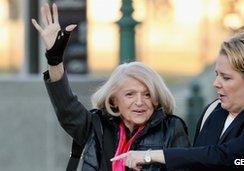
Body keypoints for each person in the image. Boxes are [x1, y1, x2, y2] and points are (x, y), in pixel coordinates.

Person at [32, 3, 190, 171]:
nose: (139, 102)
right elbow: (66, 107)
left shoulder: (171, 128)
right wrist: (55, 60)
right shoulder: (96, 126)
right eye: (130, 94)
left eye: (147, 94)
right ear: (114, 100)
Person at [111, 31, 244, 171]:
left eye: (226, 78)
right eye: (217, 75)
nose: (216, 84)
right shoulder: (214, 110)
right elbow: (195, 160)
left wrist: (149, 155)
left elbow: (222, 157)